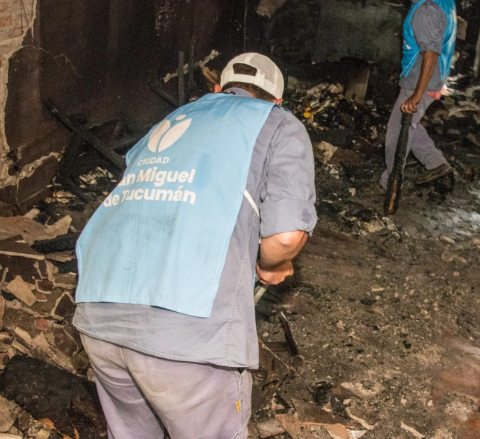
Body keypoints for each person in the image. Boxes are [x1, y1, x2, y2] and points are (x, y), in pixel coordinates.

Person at [73, 53, 317, 439]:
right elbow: (285, 236)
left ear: (217, 90)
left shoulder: (171, 121)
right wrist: (272, 266)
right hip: (184, 333)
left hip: (98, 312)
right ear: (276, 101)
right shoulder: (277, 124)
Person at [380, 0, 457, 187]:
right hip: (431, 78)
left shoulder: (427, 8)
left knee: (395, 133)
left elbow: (430, 53)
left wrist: (416, 93)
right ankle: (436, 164)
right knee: (407, 126)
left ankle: (392, 183)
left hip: (420, 81)